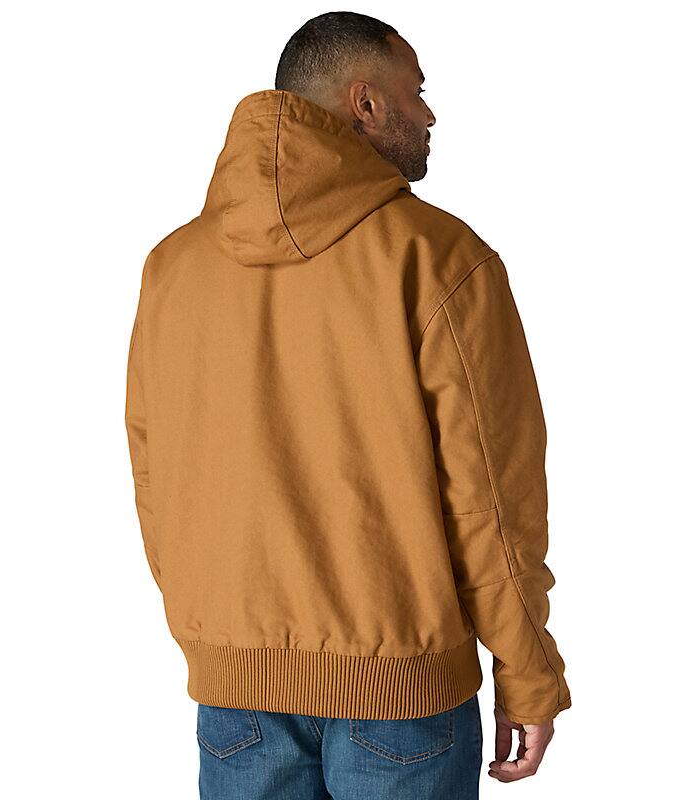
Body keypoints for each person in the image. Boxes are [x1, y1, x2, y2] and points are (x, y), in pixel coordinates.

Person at [125, 11, 571, 799]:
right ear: (365, 103)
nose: (429, 113)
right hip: (401, 696)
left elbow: (156, 477)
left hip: (234, 694)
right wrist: (528, 672)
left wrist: (220, 635)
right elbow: (492, 501)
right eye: (417, 90)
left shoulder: (174, 265)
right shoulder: (438, 258)